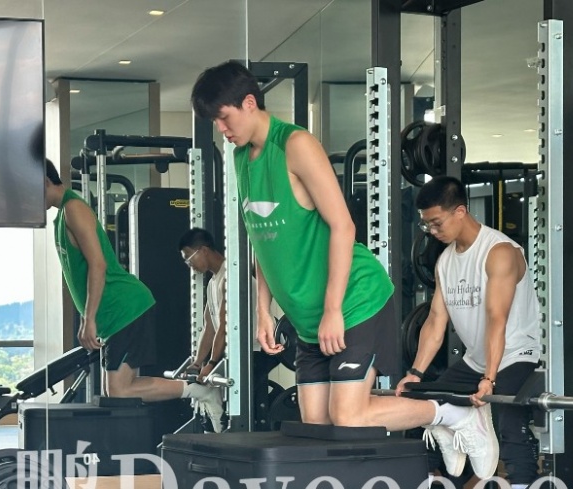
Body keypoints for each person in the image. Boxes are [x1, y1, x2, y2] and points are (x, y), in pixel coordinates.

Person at [190, 61, 498, 479]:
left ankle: (451, 414)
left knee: (349, 417)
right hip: (308, 321)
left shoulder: (295, 145)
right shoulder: (241, 158)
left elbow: (343, 225)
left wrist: (333, 308)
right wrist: (263, 310)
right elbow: (262, 240)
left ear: (248, 103)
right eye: (215, 122)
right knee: (317, 426)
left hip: (353, 301)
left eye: (223, 117)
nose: (221, 129)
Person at [44, 160, 219, 410]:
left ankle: (200, 391)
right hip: (114, 316)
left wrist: (88, 319)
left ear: (44, 182)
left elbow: (98, 265)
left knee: (119, 390)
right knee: (115, 391)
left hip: (124, 309)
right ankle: (197, 391)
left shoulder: (73, 208)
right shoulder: (62, 214)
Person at [408, 175, 542, 488]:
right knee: (422, 406)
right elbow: (435, 320)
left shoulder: (499, 252)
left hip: (517, 354)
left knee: (508, 420)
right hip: (477, 358)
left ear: (460, 211)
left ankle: (523, 484)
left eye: (437, 223)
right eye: (427, 225)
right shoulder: (445, 261)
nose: (432, 231)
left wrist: (489, 379)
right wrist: (415, 374)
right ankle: (437, 480)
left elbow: (497, 319)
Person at [177, 227, 227, 432]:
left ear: (204, 250)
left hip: (254, 352)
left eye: (189, 258)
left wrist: (212, 363)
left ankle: (223, 430)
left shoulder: (230, 276)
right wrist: (198, 363)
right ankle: (216, 430)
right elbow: (210, 327)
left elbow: (225, 327)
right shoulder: (212, 283)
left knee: (211, 388)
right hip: (229, 353)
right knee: (204, 386)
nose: (189, 265)